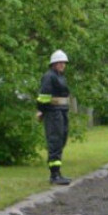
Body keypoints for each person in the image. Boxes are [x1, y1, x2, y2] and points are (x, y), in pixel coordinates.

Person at [36, 49, 72, 185]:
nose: (63, 65)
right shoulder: (49, 77)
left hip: (61, 111)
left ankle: (58, 172)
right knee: (55, 141)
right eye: (60, 62)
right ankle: (54, 175)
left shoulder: (60, 76)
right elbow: (44, 96)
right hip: (53, 112)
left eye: (64, 62)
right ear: (54, 63)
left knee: (61, 139)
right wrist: (40, 110)